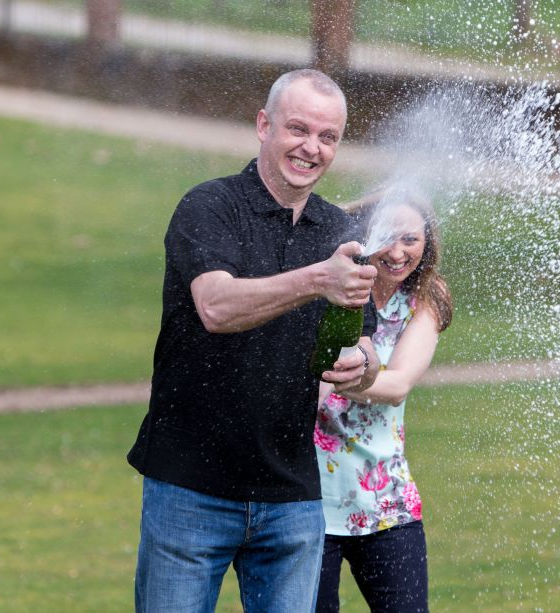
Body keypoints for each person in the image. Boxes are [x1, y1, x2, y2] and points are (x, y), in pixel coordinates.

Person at [127, 69, 381, 613]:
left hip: (291, 498)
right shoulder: (210, 206)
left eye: (328, 137)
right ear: (263, 125)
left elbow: (367, 348)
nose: (311, 148)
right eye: (297, 128)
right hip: (189, 489)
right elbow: (216, 306)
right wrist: (318, 279)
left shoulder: (340, 232)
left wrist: (361, 363)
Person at [313, 187, 453, 613]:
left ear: (426, 243)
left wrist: (330, 377)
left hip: (386, 499)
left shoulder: (426, 300)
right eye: (387, 236)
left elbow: (397, 385)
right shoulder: (328, 290)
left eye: (410, 239)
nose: (397, 251)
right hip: (308, 503)